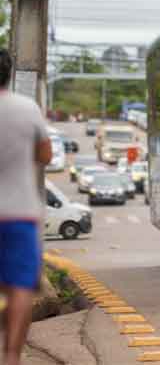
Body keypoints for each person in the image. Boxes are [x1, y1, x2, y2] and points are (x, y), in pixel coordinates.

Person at [0, 49, 53, 365]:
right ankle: (11, 356)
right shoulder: (27, 108)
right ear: (8, 74)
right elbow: (45, 155)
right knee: (20, 287)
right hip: (19, 212)